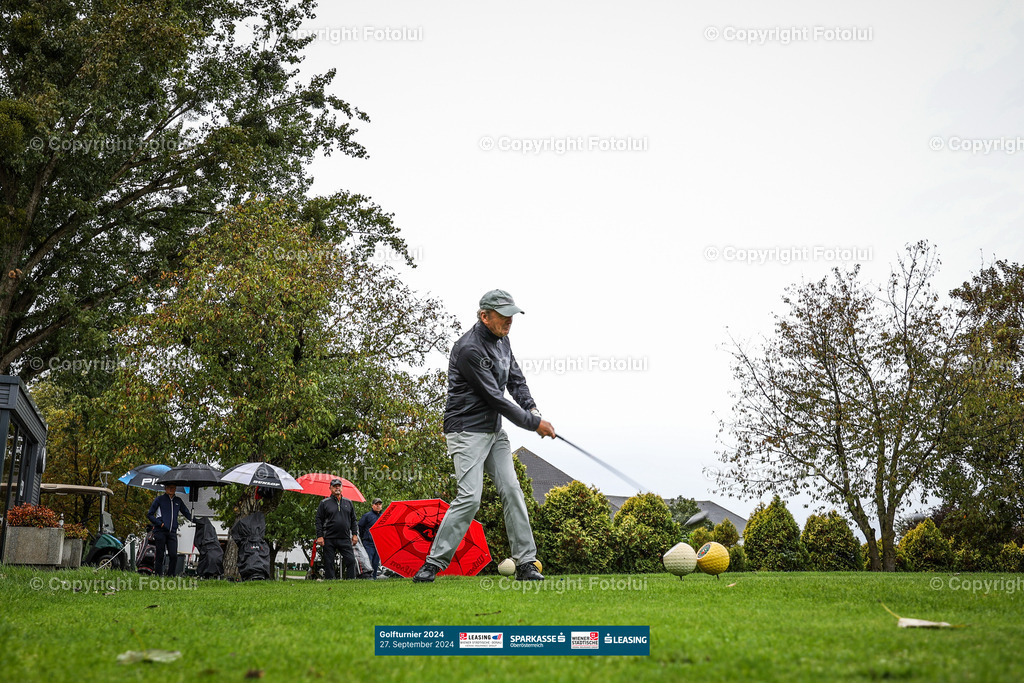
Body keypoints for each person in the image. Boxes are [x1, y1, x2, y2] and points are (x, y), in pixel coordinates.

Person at [414, 289, 555, 583]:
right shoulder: (469, 349)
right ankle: (433, 562)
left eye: (511, 314)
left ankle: (527, 563)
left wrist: (532, 407)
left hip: (493, 431)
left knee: (512, 489)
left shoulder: (503, 341)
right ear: (484, 316)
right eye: (503, 315)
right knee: (469, 498)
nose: (509, 320)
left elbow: (516, 380)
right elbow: (495, 397)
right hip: (466, 431)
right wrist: (534, 423)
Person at [315, 478, 359, 579]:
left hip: (344, 537)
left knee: (351, 560)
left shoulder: (348, 502)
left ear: (342, 488)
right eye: (334, 486)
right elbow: (318, 521)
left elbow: (353, 520)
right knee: (329, 562)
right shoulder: (324, 503)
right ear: (330, 488)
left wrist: (355, 534)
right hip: (329, 537)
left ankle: (351, 581)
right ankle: (331, 581)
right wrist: (320, 536)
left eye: (339, 486)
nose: (337, 488)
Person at [146, 484, 193, 576]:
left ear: (176, 488)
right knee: (160, 554)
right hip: (160, 531)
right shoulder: (159, 499)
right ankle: (158, 575)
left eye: (173, 487)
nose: (171, 489)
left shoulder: (178, 501)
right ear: (165, 488)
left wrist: (195, 520)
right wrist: (160, 523)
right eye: (169, 487)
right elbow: (150, 514)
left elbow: (186, 513)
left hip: (172, 532)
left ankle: (171, 575)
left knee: (173, 555)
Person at [358, 498, 384, 578]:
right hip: (369, 542)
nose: (378, 506)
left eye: (379, 504)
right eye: (376, 504)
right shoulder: (367, 516)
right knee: (368, 561)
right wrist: (364, 537)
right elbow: (360, 527)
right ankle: (367, 577)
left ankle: (374, 577)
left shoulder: (383, 516)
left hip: (378, 542)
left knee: (376, 562)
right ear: (372, 505)